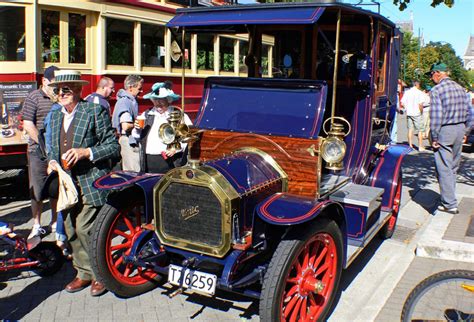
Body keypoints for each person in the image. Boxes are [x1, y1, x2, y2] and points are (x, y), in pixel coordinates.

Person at [47, 70, 120, 296]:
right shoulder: (57, 114)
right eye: (57, 90)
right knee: (70, 228)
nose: (61, 94)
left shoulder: (94, 110)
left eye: (66, 90)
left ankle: (101, 275)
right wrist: (51, 159)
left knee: (85, 227)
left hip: (91, 180)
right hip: (67, 183)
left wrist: (85, 152)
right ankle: (83, 273)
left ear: (78, 90)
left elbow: (113, 146)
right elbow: (52, 145)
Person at [428, 62, 473, 214]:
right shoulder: (461, 89)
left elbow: (436, 116)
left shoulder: (437, 90)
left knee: (443, 167)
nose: (431, 78)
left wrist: (434, 136)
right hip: (460, 128)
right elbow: (470, 114)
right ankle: (449, 198)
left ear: (437, 73)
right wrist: (466, 131)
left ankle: (449, 203)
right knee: (453, 166)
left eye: (431, 74)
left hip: (445, 130)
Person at [22, 65, 59, 240]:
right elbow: (28, 125)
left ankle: (54, 221)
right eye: (53, 83)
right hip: (37, 151)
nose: (56, 87)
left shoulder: (59, 96)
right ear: (44, 81)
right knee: (37, 190)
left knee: (54, 188)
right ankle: (36, 224)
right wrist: (44, 146)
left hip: (56, 151)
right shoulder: (33, 97)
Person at [133, 81, 192, 173]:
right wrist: (137, 129)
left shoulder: (178, 114)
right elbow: (137, 137)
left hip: (171, 161)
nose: (158, 103)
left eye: (161, 100)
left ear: (168, 99)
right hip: (149, 160)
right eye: (155, 99)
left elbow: (188, 136)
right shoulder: (147, 114)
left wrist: (176, 148)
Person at [112, 75, 143, 172]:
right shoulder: (125, 102)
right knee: (133, 172)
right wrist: (137, 124)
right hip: (128, 141)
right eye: (139, 88)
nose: (141, 91)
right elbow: (125, 126)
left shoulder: (126, 101)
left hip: (128, 140)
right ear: (130, 88)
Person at [400, 80, 427, 151]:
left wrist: (407, 108)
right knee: (420, 130)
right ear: (417, 85)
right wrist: (421, 112)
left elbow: (402, 103)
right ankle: (420, 146)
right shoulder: (420, 93)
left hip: (409, 113)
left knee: (410, 129)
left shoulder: (407, 92)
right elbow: (420, 104)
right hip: (417, 113)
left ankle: (410, 145)